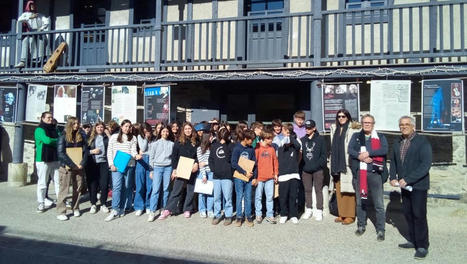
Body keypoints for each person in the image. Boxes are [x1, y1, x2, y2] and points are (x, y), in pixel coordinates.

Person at [390, 116, 432, 259]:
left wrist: (408, 179)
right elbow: (394, 161)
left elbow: (425, 166)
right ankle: (413, 240)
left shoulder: (422, 142)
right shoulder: (398, 141)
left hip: (418, 186)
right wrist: (392, 177)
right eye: (401, 125)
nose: (404, 127)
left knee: (419, 215)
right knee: (407, 213)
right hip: (404, 186)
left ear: (413, 126)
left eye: (407, 124)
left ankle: (422, 245)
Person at [348, 114, 388, 241]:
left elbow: (384, 150)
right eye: (365, 122)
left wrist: (369, 153)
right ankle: (361, 225)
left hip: (375, 173)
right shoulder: (356, 136)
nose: (367, 124)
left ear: (373, 124)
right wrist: (360, 156)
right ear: (362, 123)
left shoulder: (380, 137)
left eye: (369, 122)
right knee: (360, 202)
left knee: (379, 203)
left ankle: (381, 229)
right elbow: (350, 149)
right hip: (361, 174)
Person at [159, 122, 199, 220]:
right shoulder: (178, 142)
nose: (188, 131)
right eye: (186, 129)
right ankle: (168, 209)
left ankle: (187, 209)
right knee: (176, 190)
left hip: (192, 168)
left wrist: (196, 163)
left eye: (189, 129)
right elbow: (174, 157)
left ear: (192, 130)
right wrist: (175, 169)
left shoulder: (196, 142)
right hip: (181, 167)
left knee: (190, 190)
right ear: (183, 130)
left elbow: (199, 155)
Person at [105, 120, 142, 222]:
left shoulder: (133, 138)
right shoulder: (114, 137)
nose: (127, 128)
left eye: (129, 127)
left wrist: (136, 155)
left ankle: (122, 208)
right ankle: (114, 209)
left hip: (129, 165)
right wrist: (111, 164)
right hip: (117, 165)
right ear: (121, 127)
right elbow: (109, 151)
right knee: (116, 187)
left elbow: (133, 151)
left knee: (126, 187)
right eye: (125, 126)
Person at [330, 109, 361, 225]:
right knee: (339, 189)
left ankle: (350, 215)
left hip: (347, 163)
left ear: (348, 117)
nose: (341, 118)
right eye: (339, 116)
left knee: (348, 190)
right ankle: (342, 214)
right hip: (336, 163)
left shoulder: (353, 129)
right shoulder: (335, 129)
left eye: (343, 116)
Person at [56, 117, 88, 221]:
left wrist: (82, 163)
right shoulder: (63, 136)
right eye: (74, 123)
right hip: (66, 167)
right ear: (69, 124)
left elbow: (85, 151)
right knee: (64, 189)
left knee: (78, 188)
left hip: (79, 166)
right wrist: (73, 165)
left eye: (78, 123)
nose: (76, 125)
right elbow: (61, 153)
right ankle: (61, 211)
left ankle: (76, 207)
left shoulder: (81, 136)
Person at [300, 120, 327, 221]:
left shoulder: (321, 139)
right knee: (307, 190)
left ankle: (319, 210)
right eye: (306, 128)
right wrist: (304, 166)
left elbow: (324, 156)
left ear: (314, 128)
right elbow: (300, 156)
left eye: (309, 128)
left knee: (318, 190)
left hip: (317, 169)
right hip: (306, 170)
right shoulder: (302, 140)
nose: (307, 129)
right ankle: (309, 209)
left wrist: (317, 166)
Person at [147, 124, 174, 222]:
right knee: (156, 190)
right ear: (160, 132)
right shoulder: (155, 144)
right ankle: (152, 211)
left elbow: (173, 158)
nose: (165, 133)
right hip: (157, 167)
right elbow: (151, 158)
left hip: (168, 167)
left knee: (166, 189)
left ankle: (164, 208)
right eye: (163, 131)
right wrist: (151, 170)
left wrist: (172, 170)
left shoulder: (171, 144)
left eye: (167, 131)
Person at [34, 111, 60, 212]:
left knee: (58, 181)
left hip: (55, 158)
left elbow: (60, 138)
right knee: (43, 182)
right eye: (48, 117)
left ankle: (60, 200)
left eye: (51, 117)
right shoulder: (39, 129)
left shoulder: (55, 129)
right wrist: (56, 140)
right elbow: (47, 140)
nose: (50, 119)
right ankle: (41, 202)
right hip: (43, 159)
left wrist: (54, 140)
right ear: (43, 118)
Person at [231, 129, 257, 227]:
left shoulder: (251, 149)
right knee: (239, 196)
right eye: (251, 140)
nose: (252, 142)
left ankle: (248, 216)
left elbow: (254, 164)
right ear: (246, 139)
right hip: (239, 177)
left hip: (249, 178)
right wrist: (244, 172)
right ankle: (239, 217)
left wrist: (253, 176)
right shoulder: (237, 148)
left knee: (248, 197)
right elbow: (233, 163)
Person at [277, 123, 301, 224]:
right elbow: (279, 148)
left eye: (288, 130)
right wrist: (285, 138)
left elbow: (298, 146)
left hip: (294, 173)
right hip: (283, 174)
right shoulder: (279, 140)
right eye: (284, 130)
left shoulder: (295, 141)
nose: (285, 132)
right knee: (283, 196)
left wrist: (290, 136)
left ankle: (293, 215)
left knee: (293, 196)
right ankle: (284, 214)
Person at [209, 127, 234, 225]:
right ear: (219, 135)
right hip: (216, 176)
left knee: (228, 197)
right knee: (217, 197)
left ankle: (228, 215)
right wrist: (213, 169)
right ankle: (217, 214)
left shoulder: (231, 146)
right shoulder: (214, 145)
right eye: (221, 135)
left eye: (225, 135)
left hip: (227, 176)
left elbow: (229, 159)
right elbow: (211, 159)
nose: (223, 137)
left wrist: (224, 146)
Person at [15, 1, 50, 68]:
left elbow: (46, 21)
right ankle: (23, 61)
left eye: (33, 5)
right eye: (31, 5)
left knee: (41, 43)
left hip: (39, 33)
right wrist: (30, 17)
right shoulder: (26, 14)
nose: (32, 7)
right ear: (28, 6)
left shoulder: (39, 15)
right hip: (31, 33)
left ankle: (42, 60)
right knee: (26, 41)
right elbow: (19, 20)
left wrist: (41, 28)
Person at [254, 130, 279, 224]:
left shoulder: (271, 149)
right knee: (258, 197)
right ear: (265, 138)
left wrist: (276, 173)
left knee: (270, 197)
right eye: (271, 139)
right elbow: (254, 162)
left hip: (270, 177)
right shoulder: (257, 147)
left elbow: (275, 162)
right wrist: (255, 177)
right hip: (259, 177)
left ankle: (270, 215)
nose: (272, 140)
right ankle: (258, 214)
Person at [86, 122, 110, 214]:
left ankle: (103, 203)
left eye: (102, 127)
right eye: (98, 127)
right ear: (95, 128)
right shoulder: (90, 138)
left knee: (104, 185)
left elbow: (113, 145)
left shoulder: (106, 137)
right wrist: (92, 151)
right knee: (93, 185)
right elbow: (84, 150)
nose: (100, 129)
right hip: (93, 163)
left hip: (104, 163)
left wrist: (108, 134)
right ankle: (93, 204)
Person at [134, 122, 153, 216]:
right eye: (144, 130)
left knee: (149, 185)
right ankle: (139, 206)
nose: (146, 132)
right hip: (141, 160)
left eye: (148, 130)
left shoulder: (153, 138)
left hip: (151, 160)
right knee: (140, 184)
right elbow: (143, 148)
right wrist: (145, 138)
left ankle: (148, 205)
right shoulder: (139, 137)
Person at [197, 133, 214, 218]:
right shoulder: (199, 149)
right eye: (211, 136)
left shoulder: (212, 148)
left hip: (211, 172)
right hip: (203, 172)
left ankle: (210, 209)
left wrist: (206, 163)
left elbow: (213, 161)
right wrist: (204, 175)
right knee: (202, 193)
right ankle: (202, 210)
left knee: (211, 192)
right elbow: (201, 163)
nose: (212, 138)